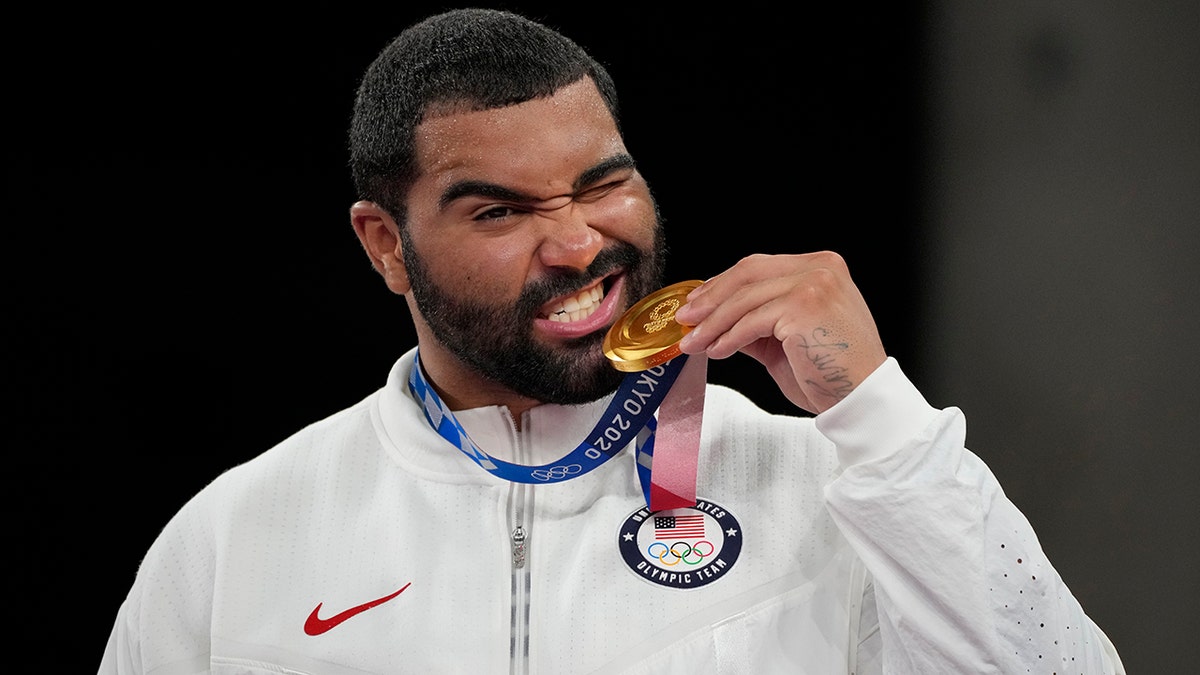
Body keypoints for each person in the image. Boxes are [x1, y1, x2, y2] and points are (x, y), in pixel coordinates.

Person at [99, 8, 1125, 674]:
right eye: (499, 213)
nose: (580, 242)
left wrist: (877, 416)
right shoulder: (236, 541)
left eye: (602, 185)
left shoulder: (826, 482)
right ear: (388, 246)